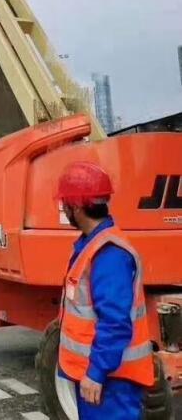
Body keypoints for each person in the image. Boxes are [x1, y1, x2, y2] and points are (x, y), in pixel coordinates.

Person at [56, 161, 154, 419]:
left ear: (76, 206)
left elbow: (115, 322)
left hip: (111, 381)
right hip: (103, 377)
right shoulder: (93, 245)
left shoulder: (108, 254)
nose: (63, 208)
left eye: (64, 203)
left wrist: (95, 373)